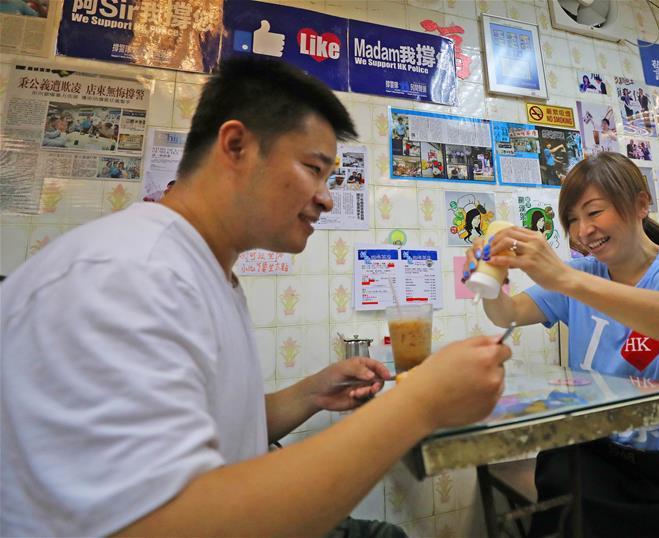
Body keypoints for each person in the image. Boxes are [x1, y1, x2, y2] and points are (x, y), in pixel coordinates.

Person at [0, 56, 512, 538]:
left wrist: (309, 394)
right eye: (313, 168)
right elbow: (166, 522)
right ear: (236, 146)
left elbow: (213, 423)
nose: (327, 197)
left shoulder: (201, 270)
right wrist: (419, 404)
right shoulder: (130, 276)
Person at [460, 152, 659, 537]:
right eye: (572, 219)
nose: (583, 230)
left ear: (641, 204)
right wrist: (490, 280)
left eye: (594, 212)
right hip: (597, 461)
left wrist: (565, 279)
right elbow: (508, 314)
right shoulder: (579, 273)